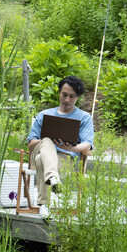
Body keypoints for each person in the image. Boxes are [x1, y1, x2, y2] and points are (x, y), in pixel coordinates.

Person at [26, 75, 94, 216]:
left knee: (41, 160)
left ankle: (44, 204)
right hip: (40, 150)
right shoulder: (44, 115)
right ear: (59, 93)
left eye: (72, 96)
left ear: (77, 97)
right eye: (64, 95)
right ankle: (53, 178)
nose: (67, 100)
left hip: (64, 157)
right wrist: (46, 139)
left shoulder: (84, 117)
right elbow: (31, 145)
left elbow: (87, 145)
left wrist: (71, 148)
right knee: (46, 140)